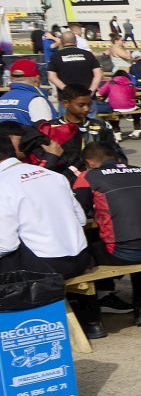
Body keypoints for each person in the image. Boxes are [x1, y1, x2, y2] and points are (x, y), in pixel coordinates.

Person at [0, 123, 94, 331]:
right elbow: (80, 219)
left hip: (46, 268)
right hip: (80, 259)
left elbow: (6, 244)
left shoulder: (3, 184)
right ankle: (91, 318)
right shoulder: (54, 175)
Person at [70, 142, 141, 329]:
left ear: (90, 162)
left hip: (123, 252)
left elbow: (77, 214)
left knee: (84, 255)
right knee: (138, 240)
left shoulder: (88, 176)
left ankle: (94, 321)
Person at [0, 60, 54, 127]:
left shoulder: (2, 99)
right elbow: (46, 131)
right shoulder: (36, 100)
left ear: (11, 78)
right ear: (36, 78)